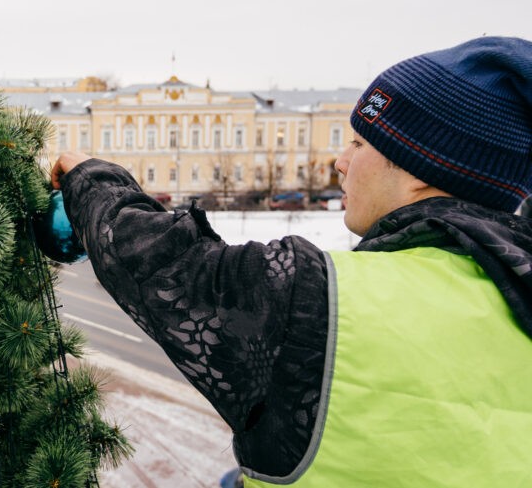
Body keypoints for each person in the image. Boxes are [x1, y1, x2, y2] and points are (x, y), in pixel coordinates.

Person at [51, 36, 532, 487]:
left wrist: (88, 176)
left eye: (360, 144)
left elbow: (159, 262)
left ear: (423, 171)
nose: (340, 162)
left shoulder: (322, 298)